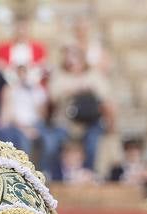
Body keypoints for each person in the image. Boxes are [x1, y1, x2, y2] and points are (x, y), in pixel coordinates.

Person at [48, 44, 114, 173]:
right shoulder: (59, 75)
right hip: (65, 122)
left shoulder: (94, 75)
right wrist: (73, 90)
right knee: (55, 142)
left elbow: (105, 99)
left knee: (92, 142)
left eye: (74, 56)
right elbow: (53, 96)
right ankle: (57, 175)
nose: (71, 60)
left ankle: (88, 174)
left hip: (89, 121)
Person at [5, 63, 65, 180]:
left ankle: (43, 172)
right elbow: (9, 114)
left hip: (37, 125)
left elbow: (43, 115)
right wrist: (25, 129)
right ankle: (24, 175)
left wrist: (36, 95)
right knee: (24, 144)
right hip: (17, 126)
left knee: (50, 142)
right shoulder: (10, 90)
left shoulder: (37, 90)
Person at [0, 13, 48, 83]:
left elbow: (42, 67)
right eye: (18, 28)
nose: (21, 31)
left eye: (24, 28)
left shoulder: (39, 48)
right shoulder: (2, 48)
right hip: (9, 83)